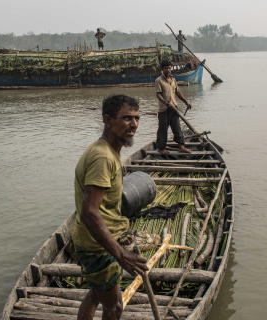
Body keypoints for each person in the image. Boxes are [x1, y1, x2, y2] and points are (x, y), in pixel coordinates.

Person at [71, 95, 148, 320]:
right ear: (107, 120)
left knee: (96, 294)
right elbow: (89, 212)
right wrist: (121, 254)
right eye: (126, 118)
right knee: (114, 307)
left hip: (96, 240)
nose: (133, 124)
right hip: (97, 246)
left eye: (136, 118)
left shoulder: (109, 150)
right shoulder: (103, 157)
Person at [155, 60, 192, 155]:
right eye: (166, 68)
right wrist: (164, 102)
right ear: (162, 69)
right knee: (163, 129)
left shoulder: (173, 80)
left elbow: (178, 92)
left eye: (169, 68)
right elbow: (158, 94)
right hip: (164, 109)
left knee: (177, 127)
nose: (168, 70)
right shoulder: (159, 80)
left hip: (174, 108)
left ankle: (181, 146)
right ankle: (161, 148)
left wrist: (186, 102)